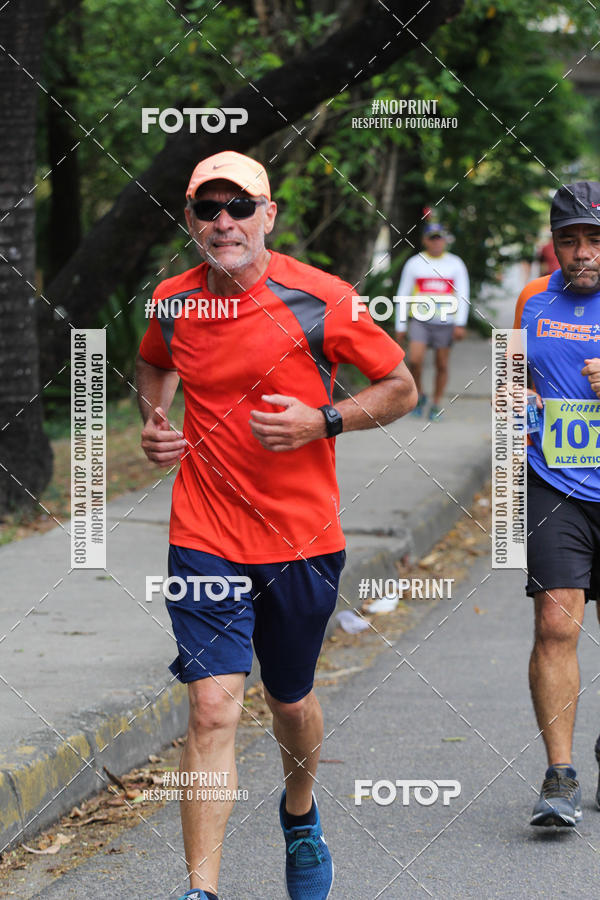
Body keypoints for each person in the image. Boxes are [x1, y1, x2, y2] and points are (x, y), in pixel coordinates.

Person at [136, 150, 417, 900]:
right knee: (210, 704)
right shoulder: (172, 301)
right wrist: (154, 425)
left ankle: (300, 814)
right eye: (208, 208)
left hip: (300, 539)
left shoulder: (322, 298)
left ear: (269, 215)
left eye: (239, 206)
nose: (223, 221)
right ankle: (202, 891)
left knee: (288, 702)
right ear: (193, 221)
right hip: (203, 532)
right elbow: (152, 365)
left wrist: (323, 420)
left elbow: (400, 388)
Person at [511, 181, 600, 828]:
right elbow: (509, 386)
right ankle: (560, 775)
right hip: (555, 483)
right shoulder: (530, 300)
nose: (582, 252)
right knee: (555, 624)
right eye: (569, 239)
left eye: (596, 240)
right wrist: (514, 422)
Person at [394, 222, 469, 422]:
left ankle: (436, 403)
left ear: (445, 240)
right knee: (415, 360)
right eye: (432, 238)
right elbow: (403, 293)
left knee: (441, 364)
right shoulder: (415, 263)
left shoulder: (455, 263)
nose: (436, 242)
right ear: (425, 240)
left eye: (439, 237)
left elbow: (463, 294)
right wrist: (400, 324)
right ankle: (419, 394)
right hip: (420, 320)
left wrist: (460, 323)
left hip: (445, 322)